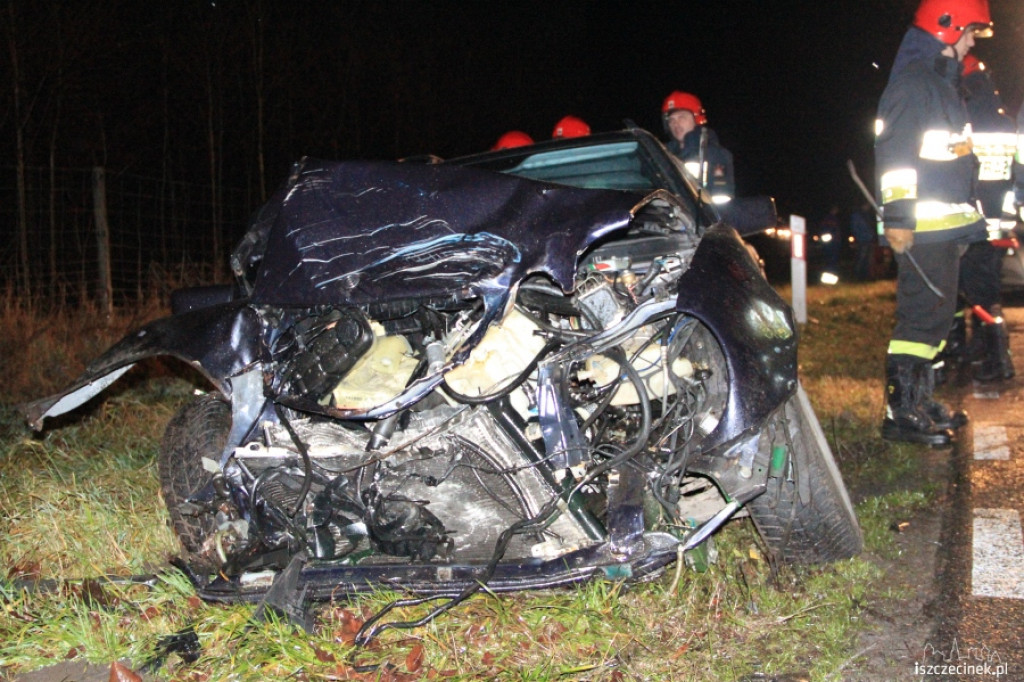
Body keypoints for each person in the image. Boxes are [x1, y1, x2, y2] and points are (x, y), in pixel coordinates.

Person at [874, 0, 992, 446]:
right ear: (947, 28)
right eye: (971, 30)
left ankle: (920, 401)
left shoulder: (943, 86)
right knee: (919, 321)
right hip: (923, 229)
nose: (973, 39)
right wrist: (900, 221)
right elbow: (895, 158)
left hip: (947, 228)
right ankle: (900, 413)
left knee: (938, 322)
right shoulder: (914, 85)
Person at [952, 55, 1016, 382]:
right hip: (999, 227)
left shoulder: (963, 124)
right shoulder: (1007, 125)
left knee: (963, 291)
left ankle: (986, 357)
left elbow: (956, 173)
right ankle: (988, 351)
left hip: (971, 225)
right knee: (987, 295)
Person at [661, 91, 735, 204]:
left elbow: (721, 201)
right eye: (671, 120)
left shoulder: (715, 154)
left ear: (697, 119)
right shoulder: (663, 155)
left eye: (682, 117)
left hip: (700, 219)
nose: (676, 124)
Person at [849, 202, 877, 281]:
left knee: (867, 258)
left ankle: (865, 275)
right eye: (867, 205)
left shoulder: (866, 215)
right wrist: (859, 238)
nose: (868, 207)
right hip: (862, 240)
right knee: (861, 258)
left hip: (869, 239)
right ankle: (857, 275)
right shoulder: (857, 215)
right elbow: (855, 228)